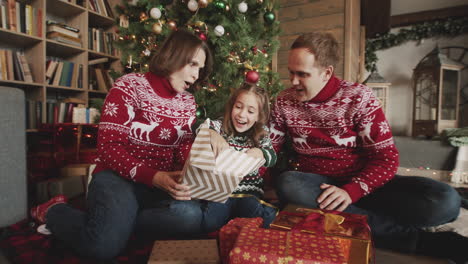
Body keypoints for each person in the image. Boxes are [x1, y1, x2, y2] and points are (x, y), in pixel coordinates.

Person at [270, 32, 468, 263]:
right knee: (289, 184)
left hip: (368, 186)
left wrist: (352, 190)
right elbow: (268, 147)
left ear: (326, 73)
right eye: (291, 73)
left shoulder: (359, 98)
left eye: (302, 74)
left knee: (446, 201)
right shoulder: (284, 101)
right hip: (319, 187)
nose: (293, 81)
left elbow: (387, 159)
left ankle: (351, 218)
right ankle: (415, 241)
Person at [30, 29, 213, 260]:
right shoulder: (128, 86)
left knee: (191, 217)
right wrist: (155, 176)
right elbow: (109, 149)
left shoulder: (188, 101)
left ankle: (120, 223)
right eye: (193, 64)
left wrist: (192, 163)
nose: (197, 75)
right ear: (173, 56)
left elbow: (182, 147)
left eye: (200, 68)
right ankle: (54, 211)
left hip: (158, 185)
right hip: (117, 178)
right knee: (101, 248)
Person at [201, 83, 278, 232]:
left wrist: (262, 153)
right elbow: (199, 126)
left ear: (258, 116)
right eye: (238, 107)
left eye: (250, 111)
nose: (242, 115)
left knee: (257, 216)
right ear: (231, 107)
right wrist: (212, 134)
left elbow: (273, 156)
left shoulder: (261, 134)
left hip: (248, 193)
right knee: (210, 223)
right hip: (219, 192)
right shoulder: (219, 127)